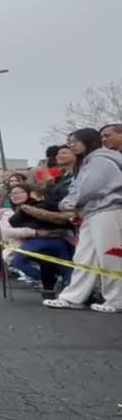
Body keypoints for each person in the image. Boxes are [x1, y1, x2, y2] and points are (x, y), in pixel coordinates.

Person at [43, 128, 122, 312]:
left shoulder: (102, 160)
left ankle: (117, 299)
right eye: (69, 141)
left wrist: (69, 202)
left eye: (74, 141)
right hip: (92, 212)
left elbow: (91, 186)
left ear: (87, 141)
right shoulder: (89, 162)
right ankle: (73, 297)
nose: (71, 145)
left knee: (111, 256)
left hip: (108, 210)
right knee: (84, 256)